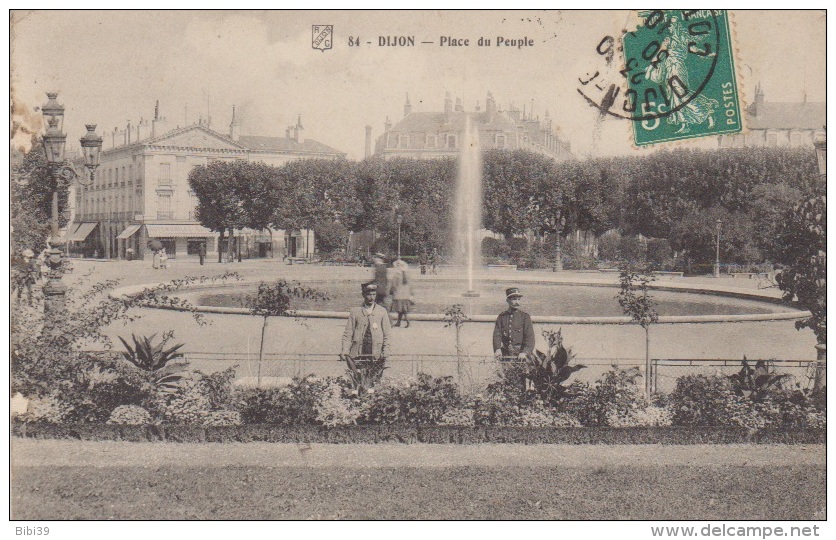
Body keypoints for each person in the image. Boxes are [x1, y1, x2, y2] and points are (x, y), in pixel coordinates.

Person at [340, 282, 391, 362]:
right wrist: (345, 350)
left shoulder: (382, 311)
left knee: (375, 373)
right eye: (369, 295)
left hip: (377, 354)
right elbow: (348, 334)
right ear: (363, 295)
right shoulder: (355, 312)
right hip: (358, 353)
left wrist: (386, 351)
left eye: (374, 294)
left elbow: (387, 335)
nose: (372, 298)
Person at [493, 287, 535, 362]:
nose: (517, 302)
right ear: (507, 300)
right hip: (505, 355)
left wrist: (524, 352)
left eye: (519, 299)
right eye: (514, 299)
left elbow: (530, 338)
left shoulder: (525, 317)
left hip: (521, 356)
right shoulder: (502, 317)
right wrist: (497, 349)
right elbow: (497, 335)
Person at [390, 259, 413, 328]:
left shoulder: (396, 275)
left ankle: (407, 321)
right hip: (406, 295)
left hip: (398, 295)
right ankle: (398, 322)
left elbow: (394, 285)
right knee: (403, 310)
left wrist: (391, 291)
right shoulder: (407, 274)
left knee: (401, 310)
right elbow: (410, 285)